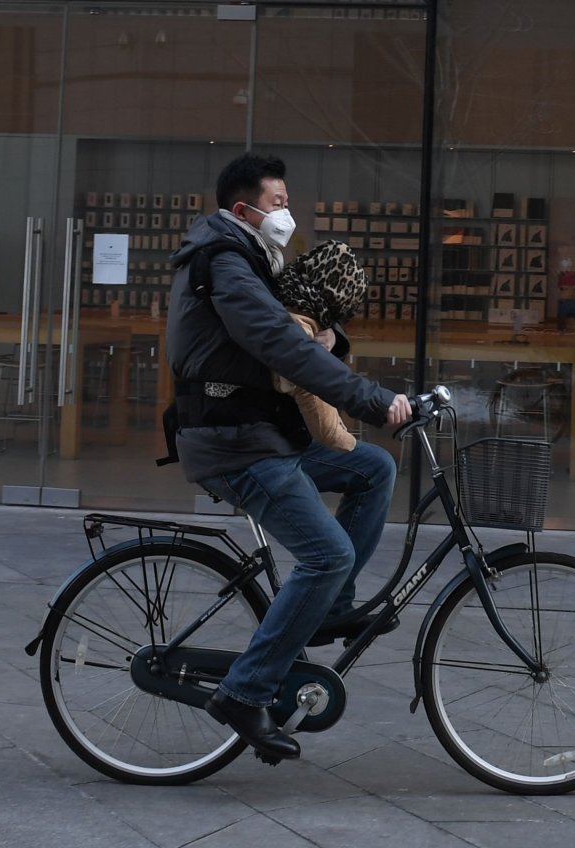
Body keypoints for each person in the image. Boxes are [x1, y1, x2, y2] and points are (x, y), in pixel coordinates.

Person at [162, 152, 412, 764]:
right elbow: (276, 341)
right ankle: (244, 693)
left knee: (373, 469)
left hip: (260, 435)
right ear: (244, 209)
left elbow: (300, 328)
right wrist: (372, 400)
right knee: (327, 553)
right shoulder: (224, 261)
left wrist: (337, 341)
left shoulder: (253, 260)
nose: (287, 214)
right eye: (278, 203)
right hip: (234, 441)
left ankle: (331, 609)